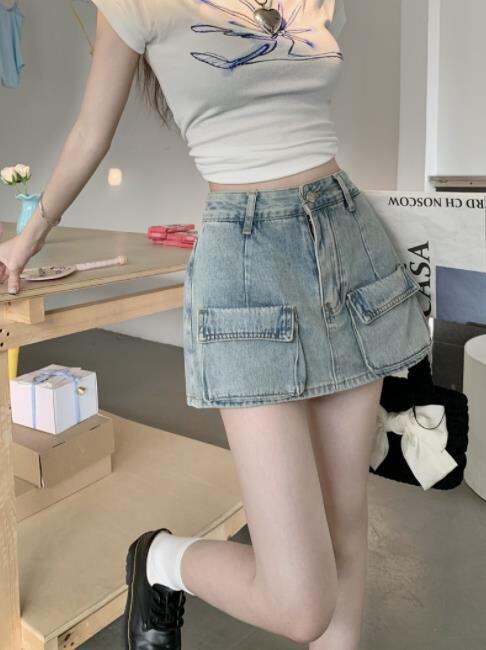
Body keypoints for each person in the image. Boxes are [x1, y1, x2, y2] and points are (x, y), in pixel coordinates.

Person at [0, 1, 433, 649]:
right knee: (300, 603)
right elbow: (90, 132)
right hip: (246, 259)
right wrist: (26, 240)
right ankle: (160, 559)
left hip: (347, 238)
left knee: (345, 527)